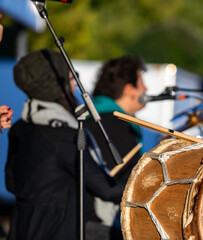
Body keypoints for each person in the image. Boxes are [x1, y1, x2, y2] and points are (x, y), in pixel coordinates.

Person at [5, 49, 125, 240]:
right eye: (71, 78)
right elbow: (106, 189)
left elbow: (11, 183)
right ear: (56, 86)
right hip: (59, 231)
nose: (75, 85)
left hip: (23, 230)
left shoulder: (20, 127)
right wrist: (143, 185)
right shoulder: (65, 135)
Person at [84, 55, 147, 229]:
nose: (146, 89)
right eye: (141, 83)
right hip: (103, 222)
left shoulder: (91, 116)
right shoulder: (118, 125)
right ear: (128, 90)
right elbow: (129, 182)